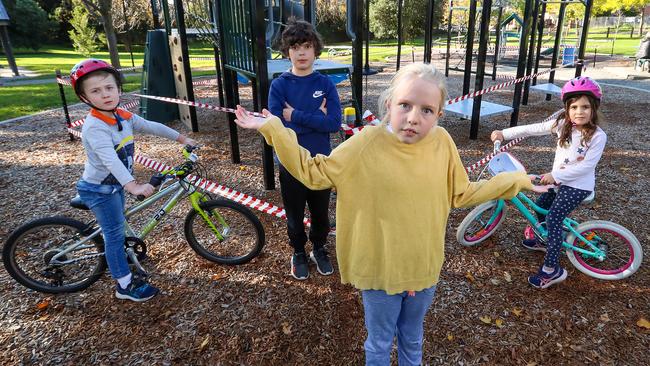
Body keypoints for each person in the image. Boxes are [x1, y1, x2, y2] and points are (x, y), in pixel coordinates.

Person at [234, 63, 540, 365]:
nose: (413, 118)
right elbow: (314, 173)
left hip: (422, 266)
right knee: (379, 343)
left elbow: (462, 193)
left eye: (427, 110)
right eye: (405, 105)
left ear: (439, 114)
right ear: (389, 103)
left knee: (412, 337)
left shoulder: (442, 142)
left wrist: (518, 180)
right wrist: (273, 129)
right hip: (381, 268)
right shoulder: (367, 141)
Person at [70, 59, 197, 302]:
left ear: (118, 88)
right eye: (95, 91)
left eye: (109, 87)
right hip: (99, 190)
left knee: (119, 226)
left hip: (113, 186)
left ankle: (122, 256)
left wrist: (182, 139)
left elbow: (151, 126)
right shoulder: (95, 127)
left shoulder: (121, 115)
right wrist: (133, 185)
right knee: (115, 235)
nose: (105, 94)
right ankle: (124, 285)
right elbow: (110, 161)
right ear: (85, 97)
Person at [491, 76, 606, 289]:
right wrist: (503, 133)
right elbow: (532, 128)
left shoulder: (598, 136)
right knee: (541, 206)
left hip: (577, 186)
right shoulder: (563, 125)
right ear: (567, 108)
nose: (579, 112)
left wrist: (556, 176)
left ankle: (553, 270)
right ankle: (544, 241)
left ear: (594, 108)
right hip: (560, 182)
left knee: (553, 219)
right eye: (574, 107)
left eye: (585, 107)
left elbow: (586, 167)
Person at [268, 18, 342, 280]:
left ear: (315, 50)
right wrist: (315, 119)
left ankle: (319, 248)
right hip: (290, 162)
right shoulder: (279, 85)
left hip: (320, 161)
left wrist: (295, 115)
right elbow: (277, 128)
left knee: (321, 212)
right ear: (287, 51)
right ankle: (298, 251)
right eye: (296, 46)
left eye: (307, 46)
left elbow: (333, 124)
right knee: (294, 213)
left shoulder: (325, 84)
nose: (301, 52)